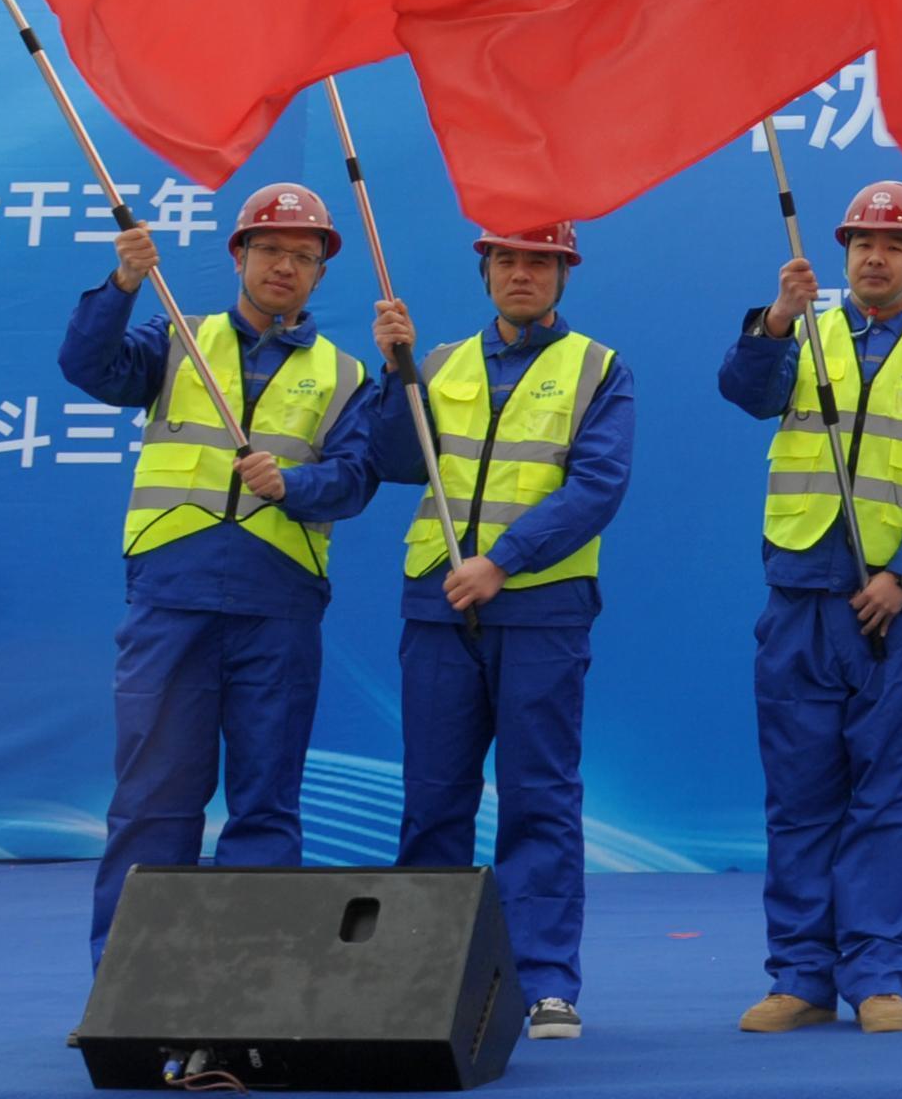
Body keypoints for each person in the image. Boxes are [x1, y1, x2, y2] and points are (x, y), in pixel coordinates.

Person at [57, 183, 379, 970]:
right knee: (153, 801)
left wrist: (293, 485)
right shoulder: (178, 339)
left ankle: (249, 985)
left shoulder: (343, 375)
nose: (284, 266)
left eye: (303, 256)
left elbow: (356, 479)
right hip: (174, 600)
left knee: (266, 805)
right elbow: (88, 366)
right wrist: (124, 283)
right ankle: (130, 983)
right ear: (239, 255)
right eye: (269, 249)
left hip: (279, 608)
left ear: (320, 274)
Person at [715, 180, 902, 1035]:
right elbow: (745, 392)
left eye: (895, 245)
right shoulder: (800, 333)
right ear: (842, 255)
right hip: (800, 600)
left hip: (894, 614)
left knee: (886, 799)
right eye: (864, 242)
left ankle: (876, 975)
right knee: (799, 798)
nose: (877, 257)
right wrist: (774, 319)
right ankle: (800, 978)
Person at [367, 220, 630, 1041]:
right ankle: (418, 978)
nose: (522, 274)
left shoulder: (597, 368)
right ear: (485, 272)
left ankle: (542, 981)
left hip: (541, 608)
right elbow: (394, 462)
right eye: (507, 260)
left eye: (540, 262)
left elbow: (596, 488)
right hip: (439, 606)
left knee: (538, 797)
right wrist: (395, 373)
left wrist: (503, 562)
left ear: (563, 274)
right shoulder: (441, 361)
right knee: (432, 797)